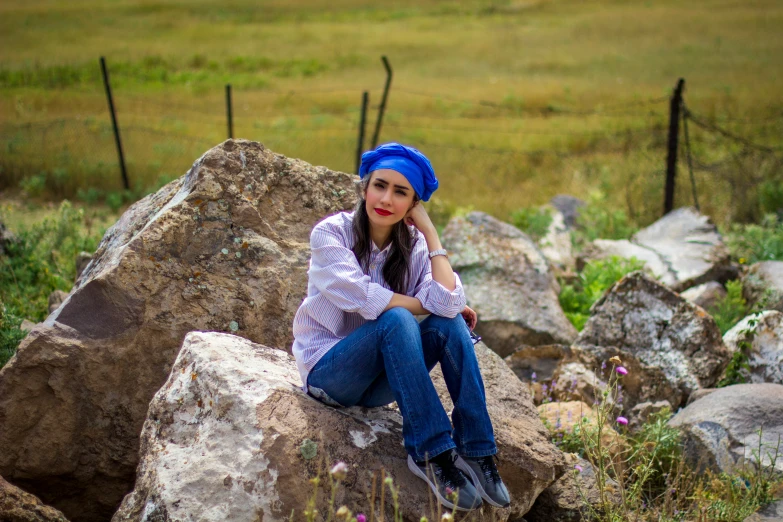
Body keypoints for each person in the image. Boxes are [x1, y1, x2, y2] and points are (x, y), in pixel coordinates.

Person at [292, 142, 510, 511]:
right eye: (379, 185)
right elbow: (363, 296)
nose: (386, 199)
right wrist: (426, 304)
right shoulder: (331, 233)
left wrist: (431, 235)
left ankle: (476, 449)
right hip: (330, 374)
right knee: (396, 317)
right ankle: (431, 453)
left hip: (379, 387)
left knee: (450, 325)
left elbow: (448, 306)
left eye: (400, 192)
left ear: (413, 205)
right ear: (364, 188)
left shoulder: (414, 245)